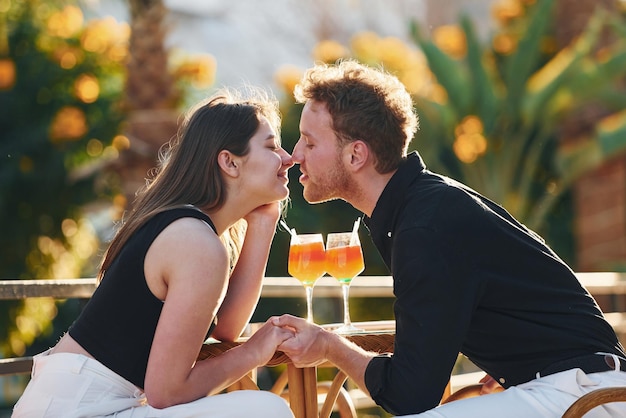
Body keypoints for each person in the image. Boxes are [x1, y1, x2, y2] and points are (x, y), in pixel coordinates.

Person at [272, 60, 626, 417]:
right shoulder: (425, 206)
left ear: (356, 154)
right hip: (570, 385)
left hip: (584, 396)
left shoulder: (424, 226)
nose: (294, 155)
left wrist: (330, 346)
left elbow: (411, 395)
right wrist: (515, 362)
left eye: (309, 142)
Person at [13, 87, 296, 418]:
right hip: (80, 406)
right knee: (266, 411)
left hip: (80, 400)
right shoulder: (195, 241)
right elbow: (167, 392)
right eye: (272, 146)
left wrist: (263, 225)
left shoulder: (194, 232)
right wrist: (253, 353)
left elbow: (226, 327)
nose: (289, 158)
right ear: (230, 162)